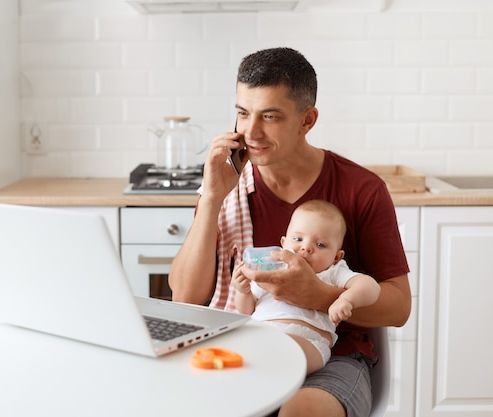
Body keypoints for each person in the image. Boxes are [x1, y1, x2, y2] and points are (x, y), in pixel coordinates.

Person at [168, 47, 411, 417]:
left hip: (332, 359)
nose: (251, 132)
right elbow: (185, 295)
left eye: (269, 116)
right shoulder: (226, 184)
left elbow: (399, 307)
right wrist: (213, 197)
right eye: (242, 113)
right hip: (247, 344)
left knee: (301, 411)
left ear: (307, 120)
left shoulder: (361, 189)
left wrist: (320, 295)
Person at [233, 199, 381, 375]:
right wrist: (243, 291)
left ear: (336, 256)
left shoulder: (332, 271)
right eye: (298, 239)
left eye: (320, 245)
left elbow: (371, 287)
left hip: (309, 342)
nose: (306, 248)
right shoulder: (274, 269)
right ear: (283, 243)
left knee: (286, 349)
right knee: (239, 345)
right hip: (262, 335)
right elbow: (246, 311)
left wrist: (346, 299)